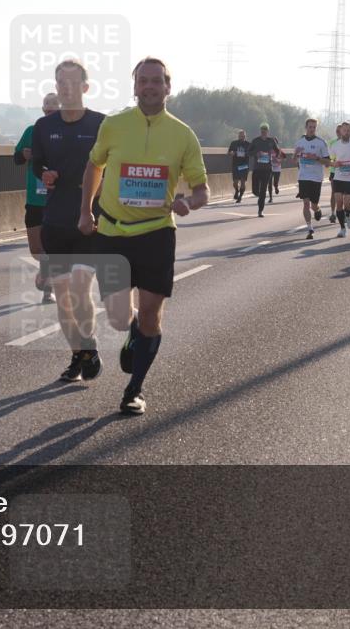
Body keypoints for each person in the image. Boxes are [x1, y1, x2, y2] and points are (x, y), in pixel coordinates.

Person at [79, 57, 209, 415]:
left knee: (152, 314)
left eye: (156, 81)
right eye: (143, 81)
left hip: (156, 233)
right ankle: (132, 328)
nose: (149, 86)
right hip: (112, 232)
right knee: (118, 317)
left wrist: (189, 202)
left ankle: (134, 389)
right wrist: (85, 211)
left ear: (168, 87)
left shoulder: (183, 134)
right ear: (134, 86)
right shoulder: (114, 125)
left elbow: (202, 190)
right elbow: (94, 165)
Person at [31, 60, 106, 382]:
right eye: (61, 82)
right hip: (55, 221)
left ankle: (89, 345)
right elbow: (36, 163)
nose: (66, 88)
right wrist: (44, 173)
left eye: (73, 83)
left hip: (88, 221)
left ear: (85, 87)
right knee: (63, 298)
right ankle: (79, 356)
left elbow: (113, 164)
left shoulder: (101, 124)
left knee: (80, 289)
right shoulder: (43, 126)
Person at [13, 92, 61, 304]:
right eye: (46, 104)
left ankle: (48, 289)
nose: (49, 107)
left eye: (54, 104)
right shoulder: (32, 131)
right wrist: (23, 155)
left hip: (57, 199)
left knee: (52, 247)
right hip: (34, 200)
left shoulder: (65, 134)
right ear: (42, 109)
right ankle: (46, 272)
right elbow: (16, 158)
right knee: (36, 249)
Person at [293, 117, 331, 239]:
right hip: (303, 177)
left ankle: (317, 209)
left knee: (313, 205)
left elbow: (328, 163)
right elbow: (294, 161)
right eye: (310, 127)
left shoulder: (321, 143)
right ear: (306, 127)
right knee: (306, 203)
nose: (312, 129)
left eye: (314, 127)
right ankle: (310, 229)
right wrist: (296, 154)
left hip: (316, 178)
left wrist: (316, 158)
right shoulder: (299, 142)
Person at [329, 121, 350, 238]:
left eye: (348, 130)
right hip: (338, 178)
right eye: (344, 130)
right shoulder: (335, 145)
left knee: (347, 204)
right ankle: (342, 229)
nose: (346, 132)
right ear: (340, 131)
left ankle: (348, 214)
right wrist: (334, 164)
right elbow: (330, 160)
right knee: (339, 203)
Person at [248, 123, 280, 218]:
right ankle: (259, 196)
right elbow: (248, 152)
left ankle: (260, 210)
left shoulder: (271, 141)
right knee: (255, 191)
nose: (264, 131)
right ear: (260, 130)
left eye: (265, 129)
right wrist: (256, 153)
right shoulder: (255, 141)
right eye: (262, 129)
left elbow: (277, 151)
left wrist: (274, 156)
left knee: (263, 190)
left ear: (268, 131)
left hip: (267, 169)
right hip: (257, 169)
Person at [227, 129, 250, 203]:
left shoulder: (248, 144)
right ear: (238, 136)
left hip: (244, 165)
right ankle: (237, 190)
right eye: (240, 136)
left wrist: (245, 154)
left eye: (243, 136)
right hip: (236, 165)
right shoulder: (234, 143)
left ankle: (240, 197)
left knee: (243, 182)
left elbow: (252, 153)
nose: (242, 137)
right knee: (235, 182)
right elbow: (229, 152)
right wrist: (232, 153)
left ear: (245, 136)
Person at [328, 124, 342, 223]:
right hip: (334, 171)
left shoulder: (349, 143)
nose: (338, 133)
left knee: (344, 194)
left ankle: (343, 212)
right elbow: (329, 156)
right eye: (337, 131)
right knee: (334, 192)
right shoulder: (332, 142)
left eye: (340, 131)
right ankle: (333, 213)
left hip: (345, 171)